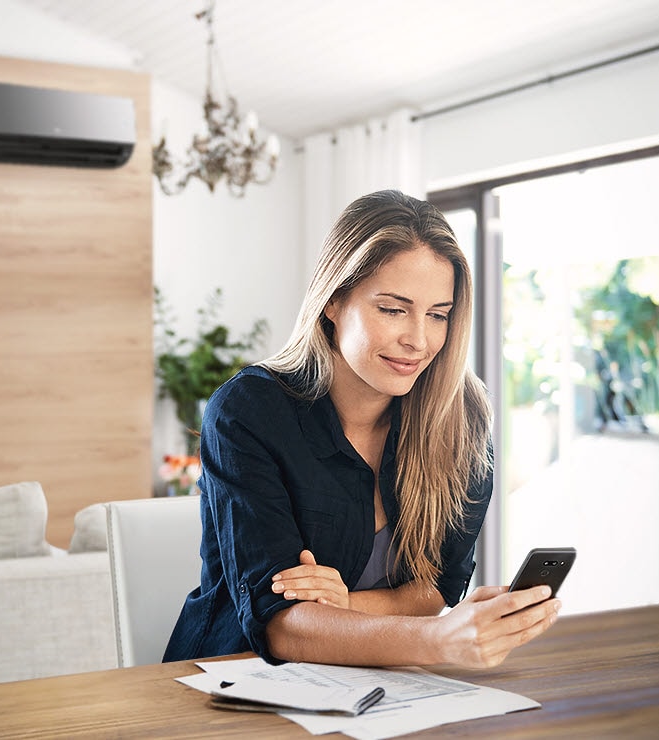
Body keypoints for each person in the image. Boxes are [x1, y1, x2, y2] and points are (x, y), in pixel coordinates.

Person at [162, 190, 560, 668]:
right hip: (234, 677)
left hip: (380, 680)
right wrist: (435, 638)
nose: (418, 339)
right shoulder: (249, 411)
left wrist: (343, 604)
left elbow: (436, 589)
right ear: (333, 302)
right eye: (392, 309)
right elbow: (281, 627)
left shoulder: (462, 418)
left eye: (438, 314)